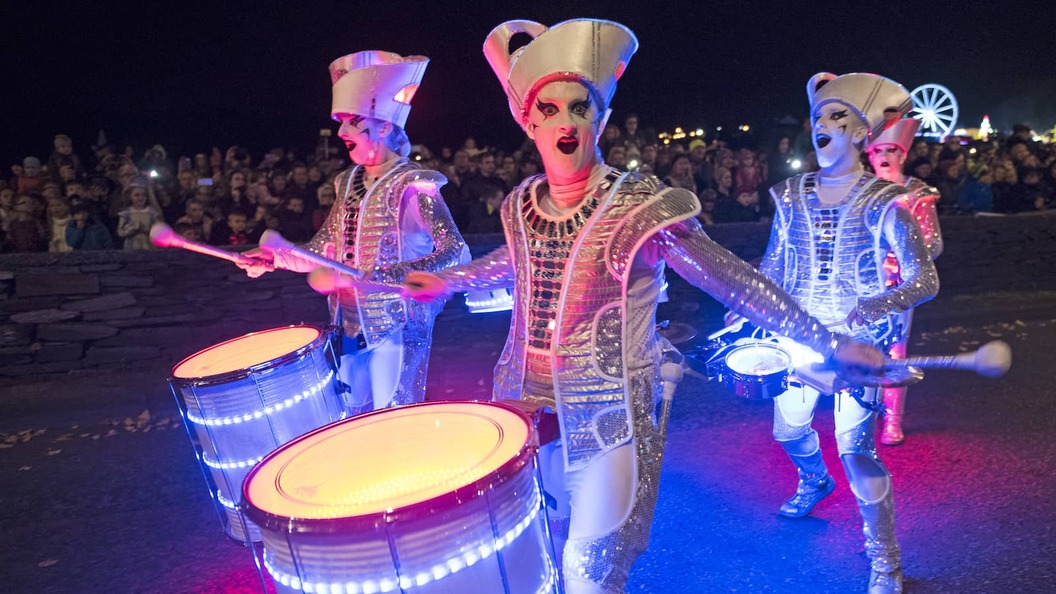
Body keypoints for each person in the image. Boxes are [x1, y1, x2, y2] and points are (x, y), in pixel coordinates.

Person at [401, 21, 882, 594]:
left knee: (591, 571)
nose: (566, 123)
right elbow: (513, 262)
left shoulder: (642, 204)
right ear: (529, 121)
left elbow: (734, 281)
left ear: (600, 119)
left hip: (610, 413)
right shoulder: (520, 203)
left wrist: (830, 342)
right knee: (542, 548)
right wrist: (448, 280)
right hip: (521, 401)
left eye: (580, 108)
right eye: (549, 110)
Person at [758, 72, 939, 594]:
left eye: (839, 118)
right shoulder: (789, 195)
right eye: (819, 117)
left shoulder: (886, 199)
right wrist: (750, 304)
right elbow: (775, 262)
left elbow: (924, 277)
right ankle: (814, 479)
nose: (824, 126)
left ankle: (885, 561)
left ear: (862, 134)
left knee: (857, 451)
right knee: (788, 431)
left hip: (857, 349)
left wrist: (878, 303)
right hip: (795, 339)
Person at [239, 50, 468, 413]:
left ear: (386, 126)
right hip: (346, 324)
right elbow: (322, 249)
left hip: (396, 323)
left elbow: (453, 249)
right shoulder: (346, 182)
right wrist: (274, 258)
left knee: (394, 417)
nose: (342, 131)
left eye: (353, 121)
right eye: (342, 121)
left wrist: (385, 275)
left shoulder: (415, 183)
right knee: (352, 418)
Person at [864, 117, 943, 445]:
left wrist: (898, 258)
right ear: (869, 156)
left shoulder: (917, 194)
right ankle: (863, 415)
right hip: (864, 283)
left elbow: (934, 242)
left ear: (903, 156)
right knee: (861, 349)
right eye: (877, 150)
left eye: (890, 150)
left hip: (900, 284)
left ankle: (892, 419)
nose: (883, 156)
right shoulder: (861, 192)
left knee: (895, 349)